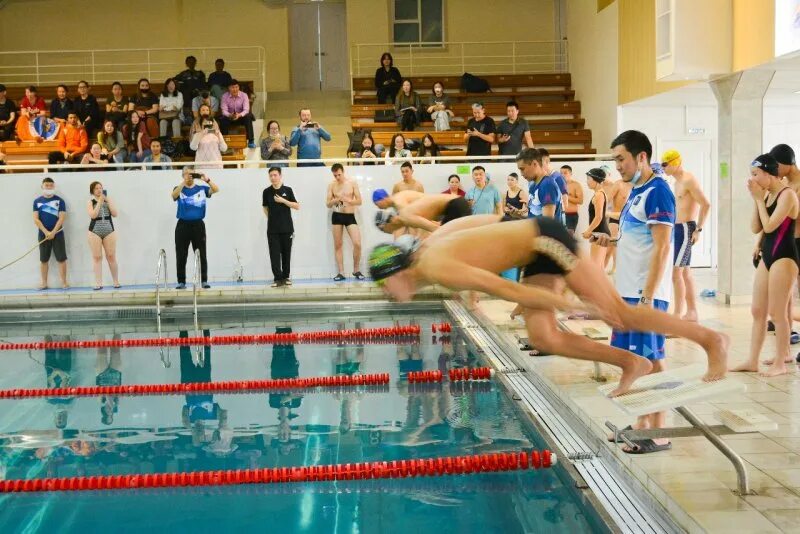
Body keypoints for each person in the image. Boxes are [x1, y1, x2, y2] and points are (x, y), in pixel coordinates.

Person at [368, 215, 728, 398]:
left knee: (619, 314)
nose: (385, 293)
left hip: (547, 240)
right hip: (533, 248)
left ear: (397, 273)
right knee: (543, 336)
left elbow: (508, 290)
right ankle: (631, 362)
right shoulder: (426, 260)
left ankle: (710, 339)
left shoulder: (435, 267)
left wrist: (570, 304)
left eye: (384, 284)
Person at [594, 130, 677, 453]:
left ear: (641, 157)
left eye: (621, 159)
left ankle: (659, 431)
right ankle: (643, 422)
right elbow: (636, 237)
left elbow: (662, 247)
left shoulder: (658, 191)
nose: (617, 166)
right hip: (630, 290)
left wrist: (647, 297)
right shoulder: (637, 191)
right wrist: (611, 241)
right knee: (638, 359)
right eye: (615, 159)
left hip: (647, 294)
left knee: (652, 360)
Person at [730, 155, 797, 378]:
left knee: (777, 313)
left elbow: (770, 227)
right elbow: (755, 227)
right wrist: (757, 199)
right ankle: (752, 360)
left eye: (756, 175)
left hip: (785, 257)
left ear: (769, 174)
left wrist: (759, 200)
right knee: (757, 311)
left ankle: (781, 362)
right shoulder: (767, 194)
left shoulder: (788, 195)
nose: (753, 179)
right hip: (768, 255)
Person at [661, 149, 711, 322]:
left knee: (677, 273)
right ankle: (692, 312)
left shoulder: (689, 180)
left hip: (686, 229)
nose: (663, 167)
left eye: (665, 164)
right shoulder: (676, 182)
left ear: (675, 162)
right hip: (676, 229)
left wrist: (698, 229)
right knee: (685, 274)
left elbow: (706, 204)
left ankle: (677, 315)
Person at [171, 168, 219, 289]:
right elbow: (173, 195)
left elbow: (216, 189)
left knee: (202, 254)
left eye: (191, 173)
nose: (189, 176)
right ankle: (181, 281)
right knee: (181, 254)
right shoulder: (179, 188)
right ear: (183, 175)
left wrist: (206, 179)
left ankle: (204, 280)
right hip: (182, 225)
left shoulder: (201, 189)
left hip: (198, 225)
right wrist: (183, 183)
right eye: (186, 174)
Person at [262, 166, 300, 287]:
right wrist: (272, 219)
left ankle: (286, 277)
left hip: (287, 228)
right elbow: (265, 207)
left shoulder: (287, 190)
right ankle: (277, 278)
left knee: (286, 253)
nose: (273, 178)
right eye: (271, 175)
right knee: (274, 253)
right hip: (272, 229)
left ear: (280, 175)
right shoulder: (266, 192)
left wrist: (283, 201)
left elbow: (297, 206)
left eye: (275, 175)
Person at [326, 163, 364, 281]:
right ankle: (341, 272)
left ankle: (356, 270)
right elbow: (328, 204)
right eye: (335, 175)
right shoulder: (332, 185)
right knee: (338, 245)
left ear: (343, 172)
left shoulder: (352, 183)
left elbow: (359, 201)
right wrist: (336, 199)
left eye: (339, 174)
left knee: (357, 243)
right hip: (337, 216)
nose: (337, 177)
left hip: (349, 215)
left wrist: (349, 200)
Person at [373, 190, 471, 234]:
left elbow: (436, 230)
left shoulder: (402, 211)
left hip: (454, 206)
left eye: (383, 230)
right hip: (454, 205)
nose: (379, 207)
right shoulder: (403, 212)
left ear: (386, 224)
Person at [33, 177, 68, 289]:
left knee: (61, 259)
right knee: (44, 260)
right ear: (42, 186)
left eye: (51, 185)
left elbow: (62, 218)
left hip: (58, 234)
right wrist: (46, 232)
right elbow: (36, 219)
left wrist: (53, 232)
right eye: (46, 185)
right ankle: (44, 283)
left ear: (54, 186)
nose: (49, 187)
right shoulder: (37, 201)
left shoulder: (60, 201)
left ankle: (64, 282)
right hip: (43, 234)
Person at [86, 181, 119, 290]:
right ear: (92, 191)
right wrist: (99, 202)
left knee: (111, 256)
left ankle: (116, 281)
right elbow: (93, 215)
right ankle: (98, 283)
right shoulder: (90, 202)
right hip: (95, 230)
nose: (99, 190)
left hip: (109, 229)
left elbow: (115, 214)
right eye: (96, 188)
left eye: (100, 188)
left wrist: (108, 201)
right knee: (97, 257)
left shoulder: (108, 200)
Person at [605, 168, 633, 273]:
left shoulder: (637, 186)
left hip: (630, 219)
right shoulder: (618, 184)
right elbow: (607, 199)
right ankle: (614, 267)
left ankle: (625, 268)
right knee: (613, 244)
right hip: (615, 217)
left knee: (628, 244)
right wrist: (603, 213)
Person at [522, 148, 562, 220]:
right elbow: (533, 216)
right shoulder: (533, 185)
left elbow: (547, 223)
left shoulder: (548, 184)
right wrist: (518, 216)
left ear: (547, 162)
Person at [583, 168, 611, 268]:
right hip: (600, 232)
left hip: (600, 233)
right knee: (599, 267)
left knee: (596, 268)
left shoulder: (599, 195)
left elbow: (599, 217)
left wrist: (588, 231)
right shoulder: (600, 193)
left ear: (596, 180)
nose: (587, 182)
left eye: (589, 179)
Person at [189, 104, 227, 169]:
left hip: (216, 165)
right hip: (201, 165)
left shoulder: (217, 133)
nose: (208, 124)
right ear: (202, 124)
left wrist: (218, 135)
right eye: (205, 123)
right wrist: (201, 134)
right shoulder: (197, 134)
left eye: (209, 122)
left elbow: (224, 148)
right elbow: (193, 147)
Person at [220, 80, 255, 148]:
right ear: (229, 88)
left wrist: (238, 115)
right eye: (232, 87)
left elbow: (246, 110)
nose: (235, 89)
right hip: (230, 117)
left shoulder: (244, 95)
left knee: (248, 116)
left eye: (236, 87)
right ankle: (224, 142)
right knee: (223, 118)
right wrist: (230, 115)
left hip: (241, 117)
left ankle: (251, 141)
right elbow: (224, 110)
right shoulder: (224, 96)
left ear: (239, 87)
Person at [562, 164, 584, 235]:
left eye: (565, 173)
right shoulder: (556, 184)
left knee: (568, 238)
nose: (562, 175)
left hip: (571, 215)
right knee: (558, 240)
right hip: (559, 214)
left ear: (570, 173)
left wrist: (566, 196)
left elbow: (580, 201)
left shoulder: (576, 185)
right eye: (561, 173)